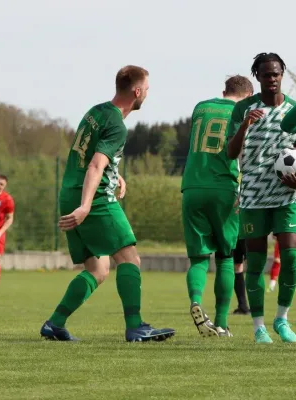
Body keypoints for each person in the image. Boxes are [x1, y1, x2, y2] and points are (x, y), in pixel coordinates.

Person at [40, 65, 175, 342]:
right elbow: (95, 163)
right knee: (129, 258)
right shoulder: (117, 124)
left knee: (98, 270)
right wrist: (86, 206)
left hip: (69, 193)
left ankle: (55, 324)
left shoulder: (96, 112)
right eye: (147, 89)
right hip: (94, 199)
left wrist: (116, 175)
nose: (147, 94)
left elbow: (90, 155)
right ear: (137, 91)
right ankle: (136, 326)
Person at [227, 52, 296, 344]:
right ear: (257, 76)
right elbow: (231, 153)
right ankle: (259, 326)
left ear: (282, 74)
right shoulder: (244, 109)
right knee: (256, 262)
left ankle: (282, 319)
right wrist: (245, 125)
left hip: (287, 196)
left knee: (291, 259)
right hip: (253, 197)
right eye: (265, 74)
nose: (271, 79)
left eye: (276, 74)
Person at [181, 75, 254, 337]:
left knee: (198, 258)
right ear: (247, 96)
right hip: (224, 188)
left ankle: (196, 301)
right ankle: (222, 322)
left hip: (192, 187)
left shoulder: (200, 108)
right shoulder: (244, 114)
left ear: (224, 91)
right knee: (225, 257)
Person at [267, 199, 296, 292]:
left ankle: (289, 284)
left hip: (295, 237)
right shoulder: (281, 201)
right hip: (281, 234)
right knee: (277, 260)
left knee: (291, 260)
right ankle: (272, 284)